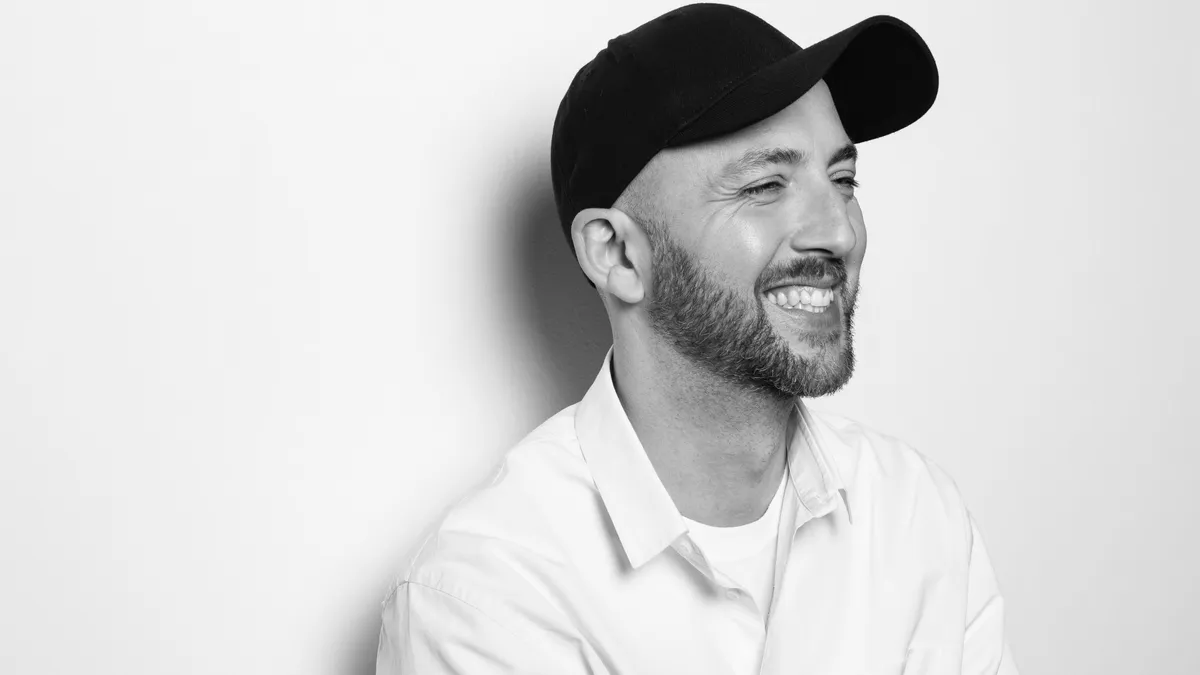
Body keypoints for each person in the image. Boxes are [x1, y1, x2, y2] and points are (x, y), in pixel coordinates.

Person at [377, 4, 1017, 673]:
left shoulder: (915, 514)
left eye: (843, 179)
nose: (839, 232)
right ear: (617, 255)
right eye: (767, 185)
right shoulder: (488, 596)